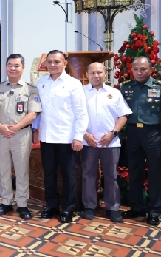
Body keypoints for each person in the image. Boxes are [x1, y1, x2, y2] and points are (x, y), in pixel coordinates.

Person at [35, 50, 88, 223]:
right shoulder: (41, 83)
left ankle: (68, 208)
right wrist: (36, 130)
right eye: (49, 62)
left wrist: (78, 136)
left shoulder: (74, 84)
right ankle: (51, 206)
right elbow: (38, 110)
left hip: (67, 137)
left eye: (56, 62)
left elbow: (81, 113)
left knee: (68, 175)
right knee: (49, 174)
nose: (52, 65)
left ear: (65, 63)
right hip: (47, 137)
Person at [0, 53, 41, 220]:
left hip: (21, 134)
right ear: (6, 67)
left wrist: (17, 127)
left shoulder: (31, 89)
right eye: (10, 65)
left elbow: (33, 113)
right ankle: (5, 202)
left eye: (16, 65)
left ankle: (23, 204)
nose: (13, 68)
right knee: (3, 169)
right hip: (1, 134)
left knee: (22, 170)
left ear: (22, 68)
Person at [80, 63, 131, 223]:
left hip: (110, 142)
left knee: (111, 176)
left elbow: (123, 115)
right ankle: (89, 206)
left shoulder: (114, 93)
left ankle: (113, 207)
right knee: (88, 174)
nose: (96, 75)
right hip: (88, 142)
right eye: (93, 72)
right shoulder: (80, 93)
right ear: (87, 74)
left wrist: (113, 133)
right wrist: (84, 135)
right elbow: (73, 116)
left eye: (99, 72)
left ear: (105, 73)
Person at [120, 56, 161, 226]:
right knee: (134, 171)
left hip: (154, 133)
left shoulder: (158, 87)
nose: (139, 72)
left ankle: (154, 210)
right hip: (132, 132)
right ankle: (136, 207)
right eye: (136, 69)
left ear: (151, 69)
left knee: (155, 172)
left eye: (143, 69)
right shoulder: (126, 87)